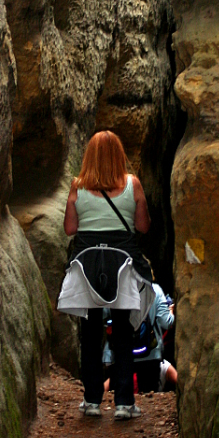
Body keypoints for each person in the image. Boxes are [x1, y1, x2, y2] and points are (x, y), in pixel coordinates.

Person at [57, 131, 154, 420]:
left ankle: (92, 400)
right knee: (122, 331)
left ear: (89, 156)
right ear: (119, 155)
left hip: (88, 265)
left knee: (91, 331)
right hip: (122, 263)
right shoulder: (132, 185)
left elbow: (69, 229)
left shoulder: (77, 187)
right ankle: (124, 403)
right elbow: (144, 227)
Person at [103, 283, 178, 394]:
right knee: (149, 394)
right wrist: (171, 312)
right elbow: (166, 323)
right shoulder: (155, 290)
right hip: (150, 354)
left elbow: (104, 318)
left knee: (119, 397)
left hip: (119, 354)